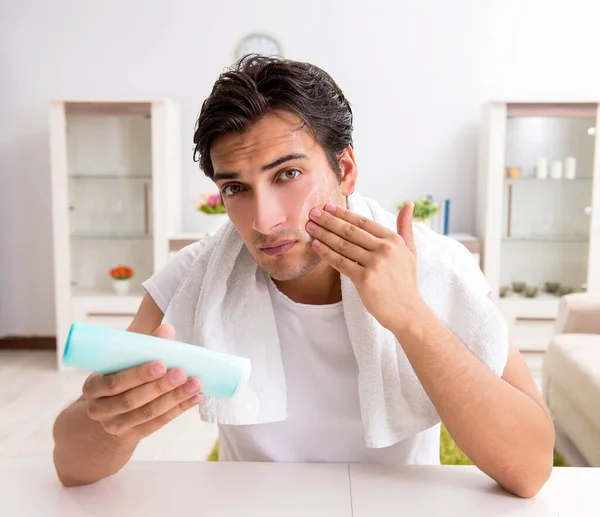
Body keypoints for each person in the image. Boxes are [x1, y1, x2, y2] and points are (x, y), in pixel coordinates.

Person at [52, 55, 554, 497]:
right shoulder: (197, 277)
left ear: (345, 169)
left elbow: (531, 469)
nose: (264, 220)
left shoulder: (436, 265)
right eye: (236, 188)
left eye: (287, 175)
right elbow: (73, 467)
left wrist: (411, 317)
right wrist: (112, 420)